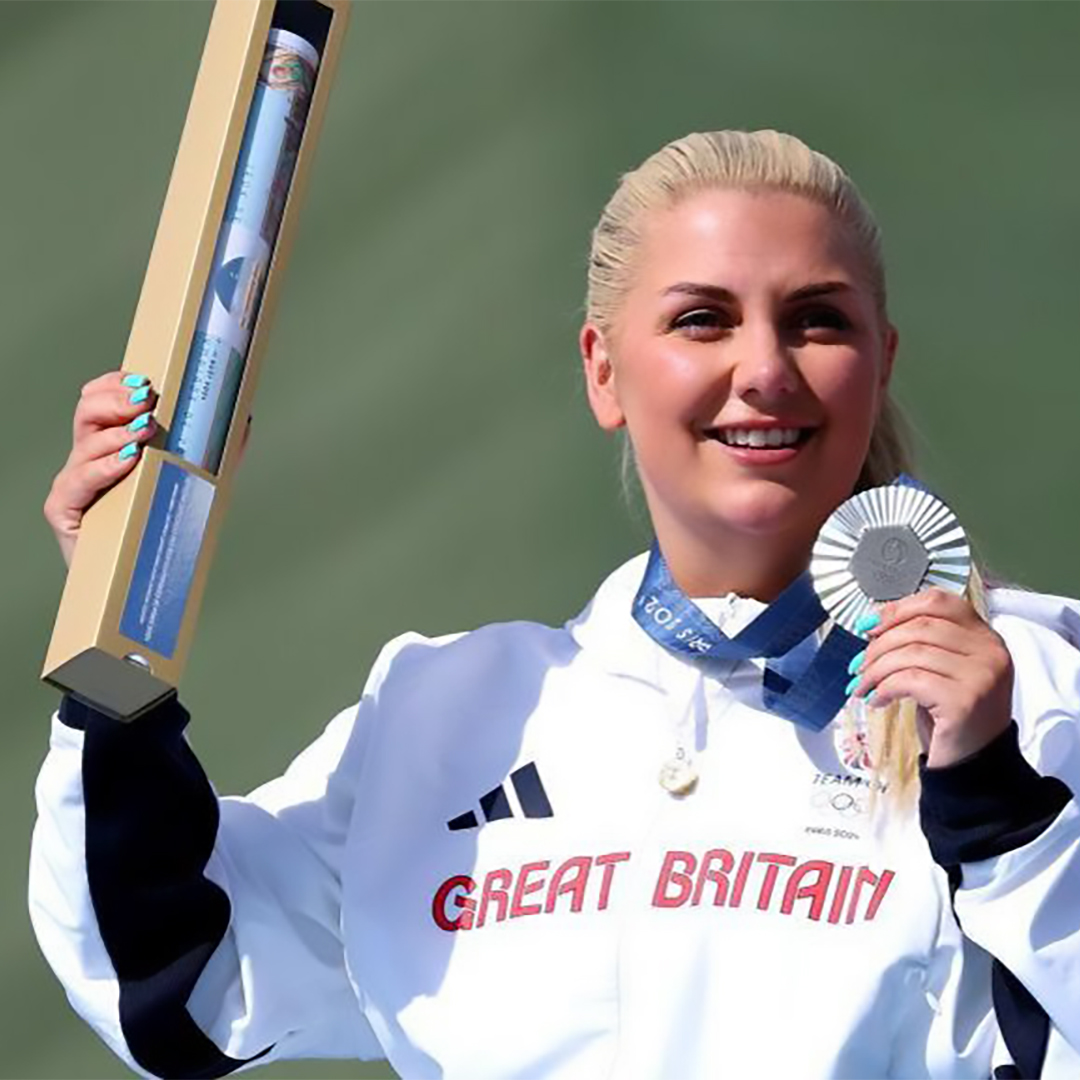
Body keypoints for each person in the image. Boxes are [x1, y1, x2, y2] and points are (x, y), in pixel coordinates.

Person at [30, 129, 1080, 1079]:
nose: (763, 368)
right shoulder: (445, 712)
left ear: (881, 361)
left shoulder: (1031, 691)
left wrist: (999, 812)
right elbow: (181, 987)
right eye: (702, 320)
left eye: (816, 321)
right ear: (603, 371)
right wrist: (125, 611)